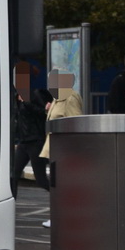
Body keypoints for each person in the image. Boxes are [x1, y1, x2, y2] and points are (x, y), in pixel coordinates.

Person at [39, 69, 83, 228]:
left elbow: (75, 123)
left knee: (64, 185)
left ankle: (66, 216)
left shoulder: (70, 98)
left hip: (65, 149)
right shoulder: (57, 98)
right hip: (55, 148)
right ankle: (59, 216)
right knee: (58, 184)